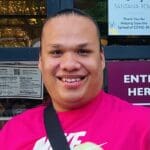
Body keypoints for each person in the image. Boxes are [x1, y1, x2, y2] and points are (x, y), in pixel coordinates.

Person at [0, 8, 150, 150]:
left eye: (83, 51)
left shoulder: (143, 127)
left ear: (101, 58)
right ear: (40, 61)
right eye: (56, 52)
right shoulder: (13, 133)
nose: (69, 65)